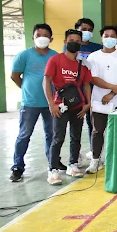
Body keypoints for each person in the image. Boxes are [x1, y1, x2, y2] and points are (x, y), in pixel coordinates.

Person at [9, 24, 58, 182]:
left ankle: (53, 164)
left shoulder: (55, 56)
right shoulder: (24, 55)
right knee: (24, 135)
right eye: (38, 35)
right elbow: (15, 76)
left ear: (51, 38)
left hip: (50, 103)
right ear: (33, 37)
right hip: (30, 103)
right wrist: (27, 89)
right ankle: (18, 166)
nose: (42, 37)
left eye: (45, 35)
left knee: (52, 135)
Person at [43, 29, 93, 185]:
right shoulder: (55, 60)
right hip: (60, 106)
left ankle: (73, 164)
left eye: (78, 41)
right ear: (65, 42)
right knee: (58, 137)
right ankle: (53, 170)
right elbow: (46, 81)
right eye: (71, 40)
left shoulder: (83, 64)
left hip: (78, 106)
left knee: (76, 136)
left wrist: (88, 104)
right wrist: (51, 104)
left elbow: (86, 85)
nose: (74, 43)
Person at [86, 26, 117, 174]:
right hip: (99, 100)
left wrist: (112, 93)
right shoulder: (93, 57)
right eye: (106, 35)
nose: (109, 38)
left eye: (113, 35)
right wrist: (113, 87)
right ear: (101, 38)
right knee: (97, 131)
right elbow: (92, 78)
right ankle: (95, 161)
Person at [73, 17, 101, 142]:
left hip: (92, 88)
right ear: (77, 29)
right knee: (75, 124)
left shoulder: (97, 48)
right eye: (84, 29)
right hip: (74, 90)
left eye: (90, 30)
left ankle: (93, 150)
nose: (87, 32)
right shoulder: (71, 47)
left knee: (92, 122)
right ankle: (75, 155)